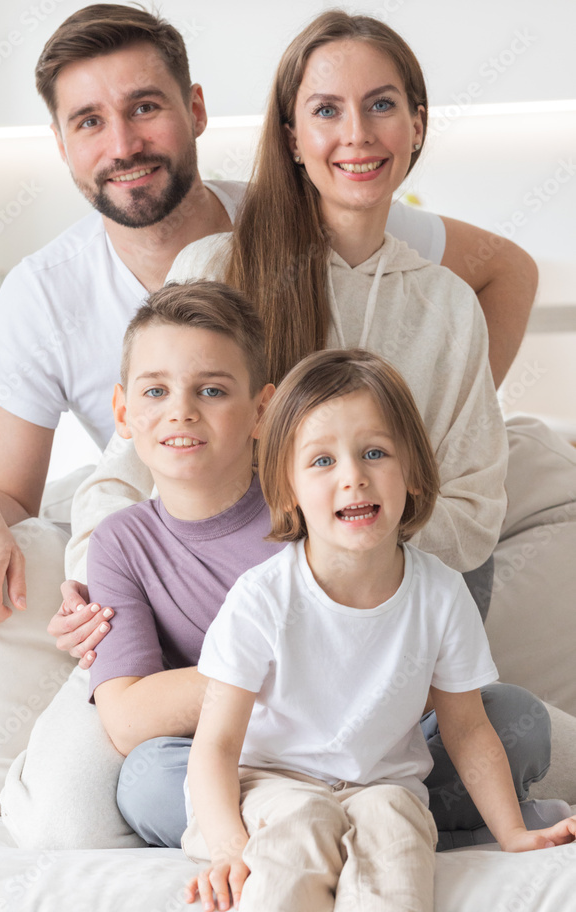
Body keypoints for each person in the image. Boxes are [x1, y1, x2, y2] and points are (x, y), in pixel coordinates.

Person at [0, 3, 538, 629]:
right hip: (222, 595)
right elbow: (113, 472)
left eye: (144, 107)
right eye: (89, 121)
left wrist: (434, 426)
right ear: (293, 136)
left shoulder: (390, 245)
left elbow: (496, 272)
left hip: (383, 610)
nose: (356, 135)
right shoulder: (161, 273)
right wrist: (59, 562)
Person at [82, 281, 557, 854]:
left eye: (211, 390)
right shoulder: (119, 543)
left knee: (517, 720)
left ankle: (378, 820)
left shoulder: (326, 503)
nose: (181, 410)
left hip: (379, 747)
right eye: (155, 391)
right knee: (147, 780)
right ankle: (337, 826)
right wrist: (276, 670)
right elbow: (130, 719)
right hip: (247, 757)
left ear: (262, 410)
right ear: (123, 410)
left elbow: (422, 671)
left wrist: (345, 667)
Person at [182, 349, 576, 912]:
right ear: (287, 486)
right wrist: (229, 848)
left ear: (412, 472)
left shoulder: (439, 593)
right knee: (305, 820)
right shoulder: (262, 597)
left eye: (374, 453)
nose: (353, 477)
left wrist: (513, 832)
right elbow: (216, 745)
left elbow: (466, 729)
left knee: (394, 820)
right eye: (321, 461)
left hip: (382, 788)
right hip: (267, 783)